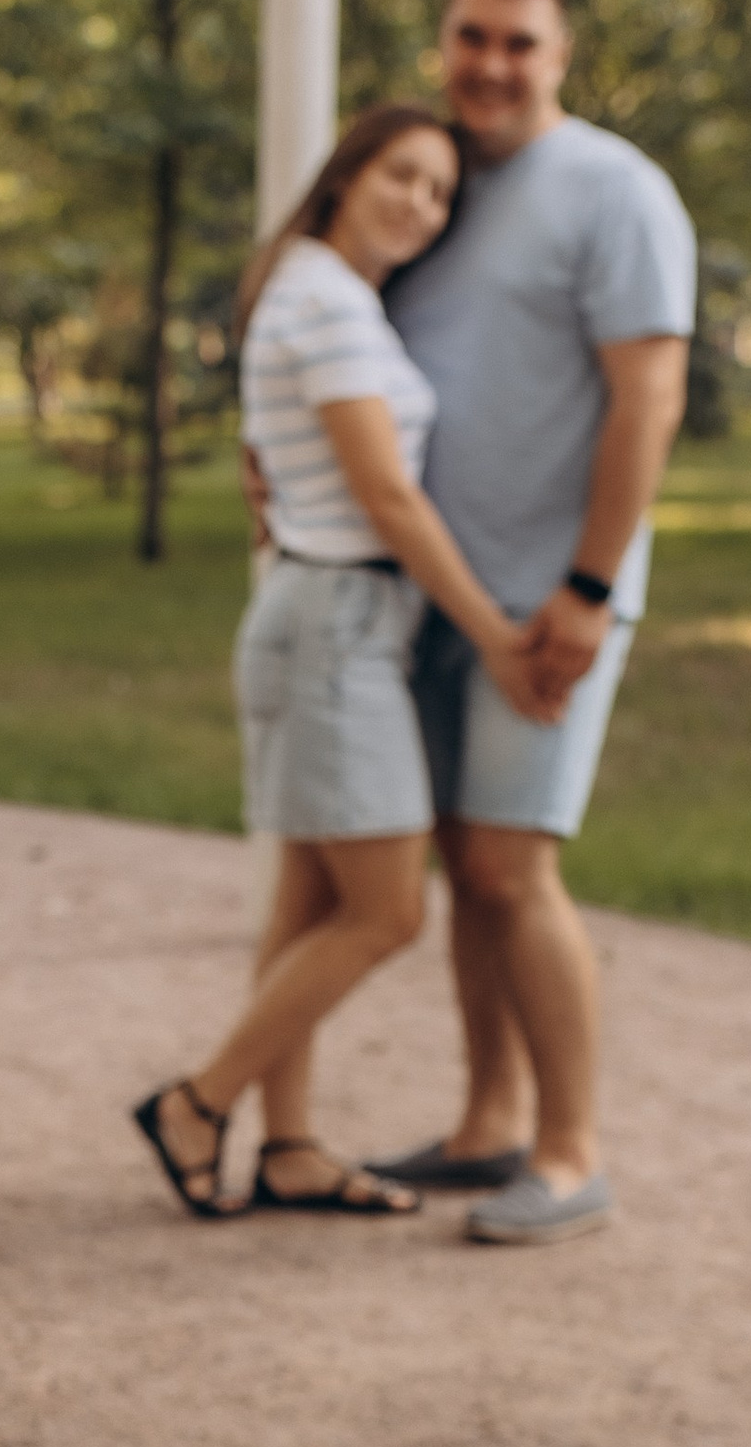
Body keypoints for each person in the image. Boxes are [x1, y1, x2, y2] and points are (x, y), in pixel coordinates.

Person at [131, 104, 546, 1221]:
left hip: (332, 617)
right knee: (387, 910)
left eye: (440, 191)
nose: (422, 203)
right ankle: (199, 1104)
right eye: (402, 175)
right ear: (346, 174)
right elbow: (387, 497)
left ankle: (291, 1145)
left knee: (312, 901)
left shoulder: (323, 294)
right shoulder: (321, 295)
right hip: (335, 624)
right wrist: (496, 634)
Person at [372, 0, 695, 1245]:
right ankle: (487, 1123)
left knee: (512, 866)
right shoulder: (431, 187)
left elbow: (648, 396)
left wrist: (588, 585)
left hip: (550, 600)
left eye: (520, 43)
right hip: (441, 594)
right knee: (465, 863)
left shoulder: (614, 190)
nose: (492, 65)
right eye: (472, 38)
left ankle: (568, 1151)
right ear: (442, 43)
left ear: (561, 56)